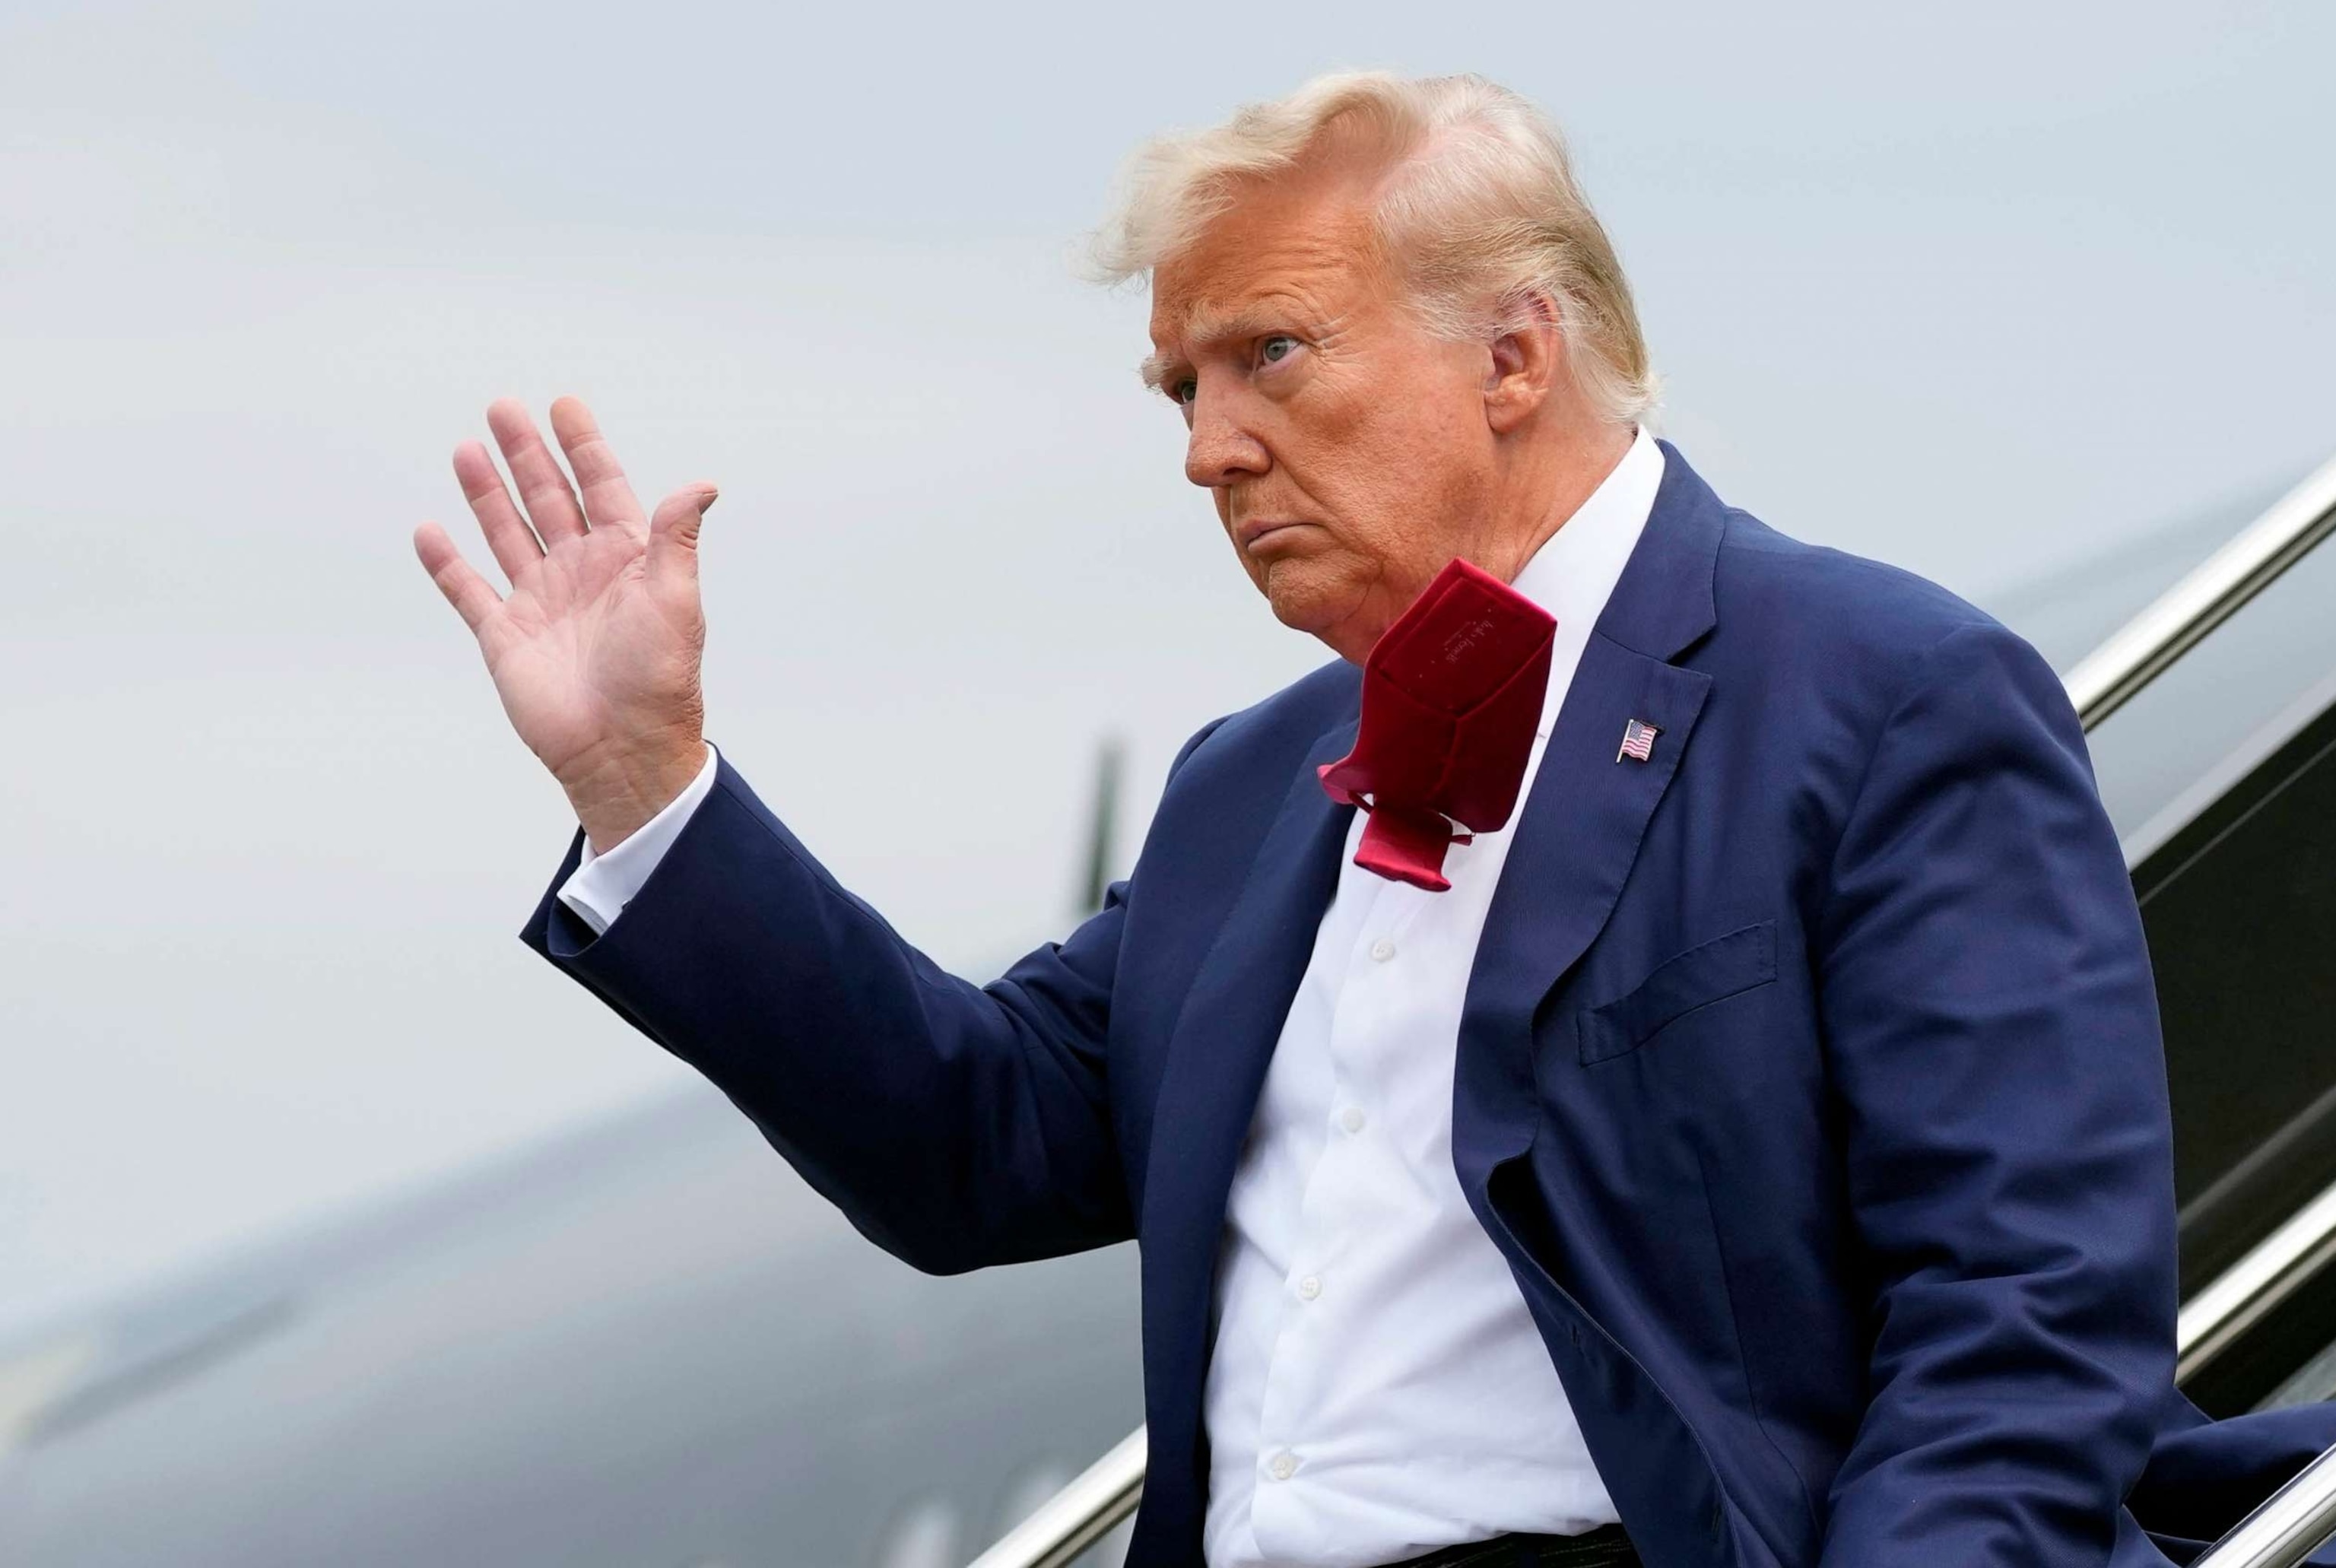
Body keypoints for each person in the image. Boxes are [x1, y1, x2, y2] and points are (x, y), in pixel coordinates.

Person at [413, 71, 2334, 1568]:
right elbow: (969, 1140)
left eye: (1272, 353)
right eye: (1180, 382)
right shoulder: (1249, 786)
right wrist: (644, 781)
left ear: (1514, 354)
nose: (1204, 445)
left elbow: (2024, 1310)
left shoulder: (1881, 691)